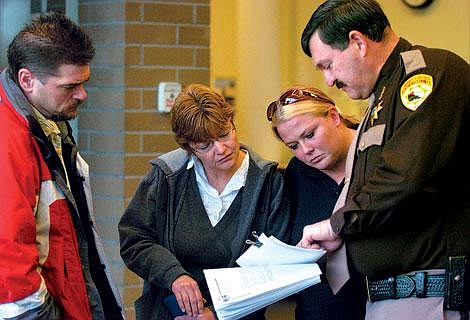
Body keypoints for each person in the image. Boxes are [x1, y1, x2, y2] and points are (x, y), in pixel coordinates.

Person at [298, 1, 470, 319]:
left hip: (426, 294)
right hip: (390, 296)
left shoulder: (425, 74)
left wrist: (337, 225)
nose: (329, 81)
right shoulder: (382, 97)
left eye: (328, 65)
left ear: (358, 42)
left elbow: (403, 176)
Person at [118, 83, 290, 320]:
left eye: (224, 134)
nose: (221, 149)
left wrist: (218, 314)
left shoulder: (268, 184)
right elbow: (134, 240)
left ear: (232, 123)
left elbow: (273, 268)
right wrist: (174, 276)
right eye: (205, 145)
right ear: (189, 147)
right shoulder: (166, 177)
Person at [0, 12, 124, 320]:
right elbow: (10, 266)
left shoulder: (47, 122)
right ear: (27, 80)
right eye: (70, 86)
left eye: (84, 83)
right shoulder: (9, 141)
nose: (82, 94)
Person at [267, 85, 366, 320]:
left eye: (310, 135)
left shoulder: (374, 155)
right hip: (318, 310)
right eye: (293, 146)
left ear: (333, 116)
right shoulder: (297, 173)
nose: (306, 150)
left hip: (381, 307)